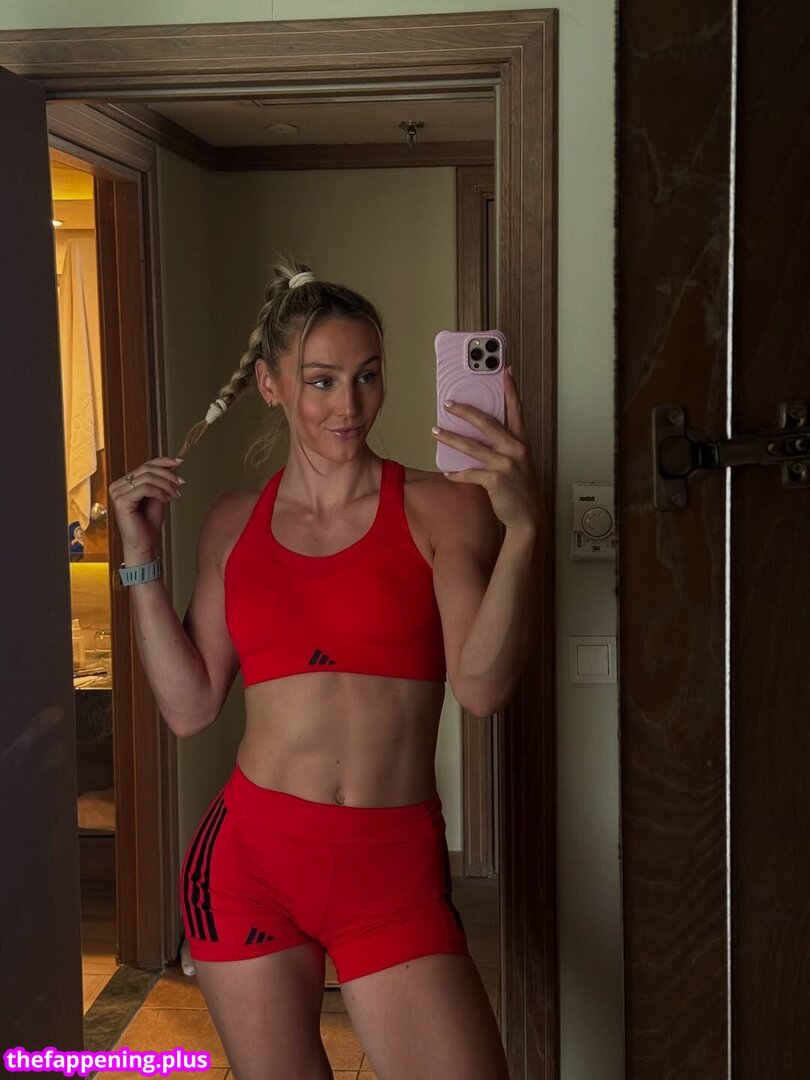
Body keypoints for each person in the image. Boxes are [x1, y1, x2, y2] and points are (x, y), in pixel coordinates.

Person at [108, 257, 543, 1080]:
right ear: (270, 385)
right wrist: (140, 563)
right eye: (321, 381)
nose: (349, 405)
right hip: (250, 865)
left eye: (366, 376)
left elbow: (482, 689)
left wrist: (522, 531)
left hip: (391, 872)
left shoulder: (445, 508)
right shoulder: (233, 526)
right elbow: (189, 707)